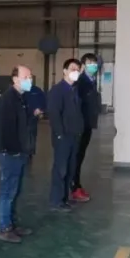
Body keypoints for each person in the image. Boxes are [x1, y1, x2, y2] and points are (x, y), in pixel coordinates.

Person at [0, 66, 35, 243]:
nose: (29, 80)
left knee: (15, 190)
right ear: (15, 79)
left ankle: (12, 223)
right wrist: (13, 150)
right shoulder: (8, 99)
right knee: (8, 191)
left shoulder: (21, 98)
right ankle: (4, 227)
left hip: (20, 151)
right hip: (10, 152)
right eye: (26, 77)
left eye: (30, 76)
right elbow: (4, 129)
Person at [47, 58, 85, 212]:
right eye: (72, 69)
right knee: (61, 168)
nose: (75, 72)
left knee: (70, 168)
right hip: (63, 136)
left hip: (75, 135)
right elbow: (54, 114)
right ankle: (56, 200)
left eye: (78, 70)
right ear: (64, 71)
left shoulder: (74, 89)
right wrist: (60, 134)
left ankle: (65, 197)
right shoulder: (57, 90)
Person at [70, 53, 101, 203]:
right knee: (76, 157)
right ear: (83, 66)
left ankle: (77, 184)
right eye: (89, 63)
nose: (93, 66)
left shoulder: (91, 80)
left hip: (87, 124)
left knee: (80, 156)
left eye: (94, 63)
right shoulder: (81, 82)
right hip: (81, 126)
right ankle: (74, 186)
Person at [23, 81, 46, 169]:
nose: (29, 79)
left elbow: (44, 101)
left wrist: (41, 110)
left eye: (30, 77)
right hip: (23, 117)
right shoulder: (20, 90)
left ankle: (30, 152)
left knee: (32, 134)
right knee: (24, 134)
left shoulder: (36, 90)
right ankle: (24, 152)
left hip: (33, 117)